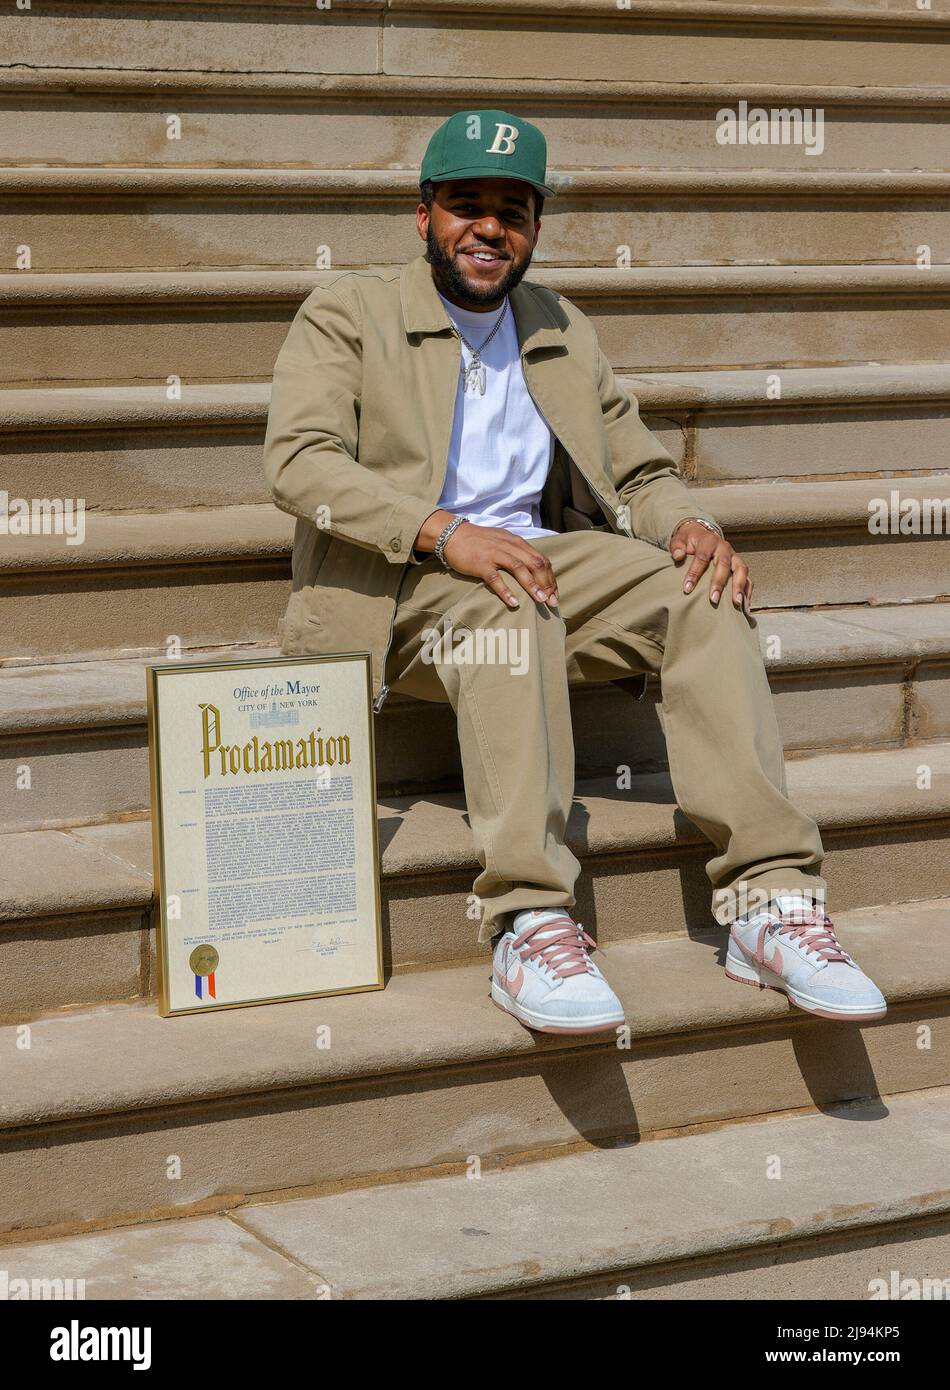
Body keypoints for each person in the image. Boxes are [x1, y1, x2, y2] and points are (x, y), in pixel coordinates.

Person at [263, 109, 886, 1034]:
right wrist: (441, 531)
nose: (489, 228)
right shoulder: (350, 312)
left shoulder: (556, 324)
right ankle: (528, 919)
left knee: (699, 592)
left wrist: (691, 524)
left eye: (511, 211)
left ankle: (770, 903)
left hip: (542, 568)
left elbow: (638, 471)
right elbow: (300, 464)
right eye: (465, 205)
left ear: (535, 228)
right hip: (398, 589)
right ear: (423, 215)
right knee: (512, 601)